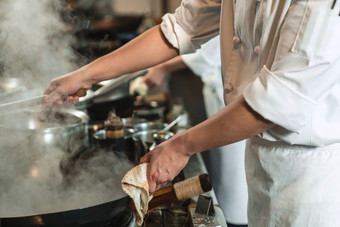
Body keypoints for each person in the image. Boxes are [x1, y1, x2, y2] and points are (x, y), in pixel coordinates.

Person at [44, 0, 340, 226]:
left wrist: (180, 146)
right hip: (262, 159)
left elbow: (278, 100)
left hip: (310, 179)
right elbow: (180, 28)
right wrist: (86, 75)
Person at [141, 36, 248, 227]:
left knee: (235, 189)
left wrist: (180, 147)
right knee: (219, 182)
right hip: (223, 102)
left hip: (240, 114)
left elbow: (209, 53)